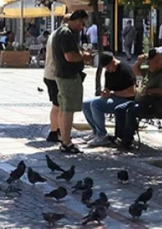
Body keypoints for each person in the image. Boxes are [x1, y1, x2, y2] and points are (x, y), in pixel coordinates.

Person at [112, 49, 162, 150]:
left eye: (150, 62)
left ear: (158, 62)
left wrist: (148, 91)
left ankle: (127, 140)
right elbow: (134, 70)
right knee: (119, 109)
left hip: (153, 104)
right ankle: (119, 137)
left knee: (131, 112)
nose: (148, 64)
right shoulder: (149, 70)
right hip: (140, 101)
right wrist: (139, 61)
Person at [53, 9, 89, 154]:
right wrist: (84, 56)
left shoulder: (61, 31)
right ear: (77, 20)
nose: (82, 27)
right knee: (68, 109)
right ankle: (67, 142)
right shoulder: (67, 34)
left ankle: (64, 139)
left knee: (63, 108)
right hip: (69, 76)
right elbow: (70, 56)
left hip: (62, 74)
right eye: (82, 23)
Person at [82, 52, 136, 147]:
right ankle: (96, 132)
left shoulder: (125, 70)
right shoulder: (108, 72)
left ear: (113, 62)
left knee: (96, 104)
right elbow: (108, 88)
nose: (108, 70)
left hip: (126, 100)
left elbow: (132, 92)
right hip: (113, 98)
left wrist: (113, 93)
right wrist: (105, 92)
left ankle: (102, 135)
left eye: (108, 67)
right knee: (85, 104)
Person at [44, 15, 71, 143]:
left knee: (57, 105)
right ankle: (54, 131)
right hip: (55, 75)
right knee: (58, 105)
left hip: (50, 74)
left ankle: (56, 130)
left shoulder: (54, 34)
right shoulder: (62, 35)